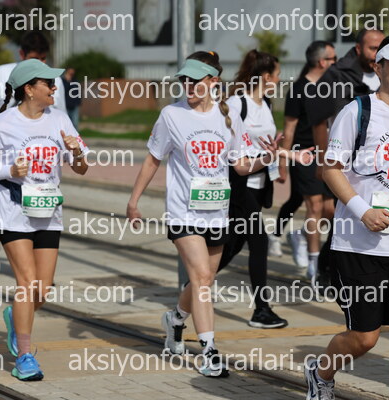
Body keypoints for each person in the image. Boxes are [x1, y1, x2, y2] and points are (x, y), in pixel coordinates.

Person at [127, 51, 308, 376]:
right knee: (201, 279)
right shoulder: (171, 114)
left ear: (213, 82)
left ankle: (175, 319)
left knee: (205, 279)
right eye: (184, 80)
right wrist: (134, 200)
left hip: (216, 211)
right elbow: (153, 158)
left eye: (195, 81)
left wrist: (268, 159)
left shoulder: (229, 116)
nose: (188, 86)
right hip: (184, 212)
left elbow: (240, 166)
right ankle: (209, 352)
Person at [305, 31, 389, 400]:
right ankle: (320, 372)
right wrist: (363, 211)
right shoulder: (357, 111)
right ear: (378, 68)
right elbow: (330, 168)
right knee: (364, 337)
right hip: (359, 246)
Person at [0, 59, 89, 381]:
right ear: (29, 89)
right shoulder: (3, 123)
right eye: (48, 83)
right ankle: (24, 356)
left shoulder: (59, 118)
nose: (54, 88)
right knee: (27, 283)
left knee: (42, 291)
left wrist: (77, 152)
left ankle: (15, 316)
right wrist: (8, 170)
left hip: (48, 212)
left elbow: (81, 168)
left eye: (54, 83)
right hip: (13, 211)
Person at [0, 31, 66, 277]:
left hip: (41, 164)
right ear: (21, 54)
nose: (42, 63)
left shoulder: (51, 80)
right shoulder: (1, 73)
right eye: (36, 58)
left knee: (40, 213)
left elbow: (60, 120)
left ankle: (38, 274)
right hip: (5, 158)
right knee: (0, 211)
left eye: (44, 58)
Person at [303, 29, 385, 286]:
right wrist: (323, 159)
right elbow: (319, 119)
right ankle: (326, 270)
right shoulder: (338, 74)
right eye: (372, 48)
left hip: (379, 160)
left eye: (380, 48)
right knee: (347, 213)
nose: (377, 53)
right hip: (345, 161)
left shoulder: (388, 71)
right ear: (358, 49)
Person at [218, 49, 291, 328]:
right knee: (259, 241)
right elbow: (227, 143)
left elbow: (268, 145)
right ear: (265, 76)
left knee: (234, 244)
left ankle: (195, 283)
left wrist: (283, 160)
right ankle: (261, 310)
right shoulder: (237, 103)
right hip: (240, 184)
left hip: (260, 183)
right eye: (277, 74)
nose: (279, 79)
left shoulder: (266, 103)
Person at [272, 41, 337, 284]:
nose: (337, 62)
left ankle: (300, 234)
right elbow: (288, 129)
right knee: (315, 206)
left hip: (328, 154)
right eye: (333, 58)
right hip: (304, 155)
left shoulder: (334, 86)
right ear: (322, 62)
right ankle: (314, 264)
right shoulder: (299, 89)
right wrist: (282, 164)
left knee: (331, 211)